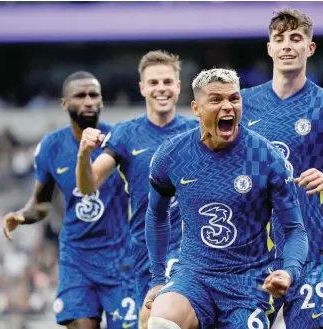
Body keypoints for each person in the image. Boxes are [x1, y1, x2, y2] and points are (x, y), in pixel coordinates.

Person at [143, 68, 308, 329]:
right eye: (216, 100)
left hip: (248, 282)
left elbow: (294, 229)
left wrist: (289, 271)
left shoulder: (266, 157)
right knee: (161, 321)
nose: (228, 106)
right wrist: (156, 278)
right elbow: (156, 214)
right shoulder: (172, 155)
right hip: (194, 275)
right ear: (196, 107)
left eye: (234, 98)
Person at [240, 9, 323, 329]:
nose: (287, 45)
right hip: (252, 251)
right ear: (269, 48)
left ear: (309, 48)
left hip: (311, 247)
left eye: (296, 38)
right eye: (279, 39)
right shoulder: (243, 103)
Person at [2, 71, 136, 329]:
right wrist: (22, 215)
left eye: (93, 95)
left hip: (121, 258)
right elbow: (42, 202)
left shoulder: (120, 139)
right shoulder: (51, 146)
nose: (88, 101)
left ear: (101, 102)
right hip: (77, 259)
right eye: (80, 95)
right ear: (65, 104)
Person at [75, 51, 198, 327]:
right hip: (143, 251)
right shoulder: (125, 133)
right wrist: (84, 155)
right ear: (142, 87)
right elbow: (88, 185)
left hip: (188, 249)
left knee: (161, 319)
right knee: (147, 321)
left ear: (179, 85)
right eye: (153, 82)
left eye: (168, 81)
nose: (161, 88)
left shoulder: (197, 131)